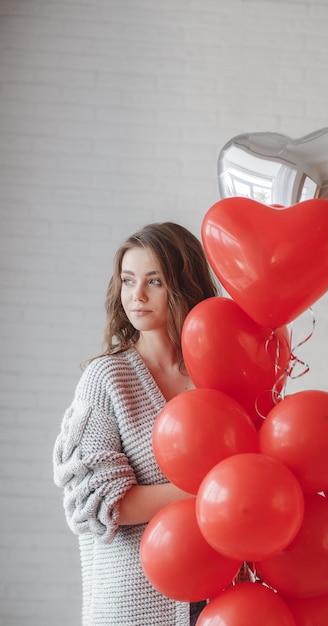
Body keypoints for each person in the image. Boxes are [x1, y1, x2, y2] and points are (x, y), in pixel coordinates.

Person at [53, 222, 220, 626]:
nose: (137, 296)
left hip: (220, 595)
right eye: (128, 281)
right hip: (135, 603)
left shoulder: (217, 375)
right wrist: (212, 494)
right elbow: (98, 504)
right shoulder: (107, 379)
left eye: (154, 281)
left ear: (183, 287)